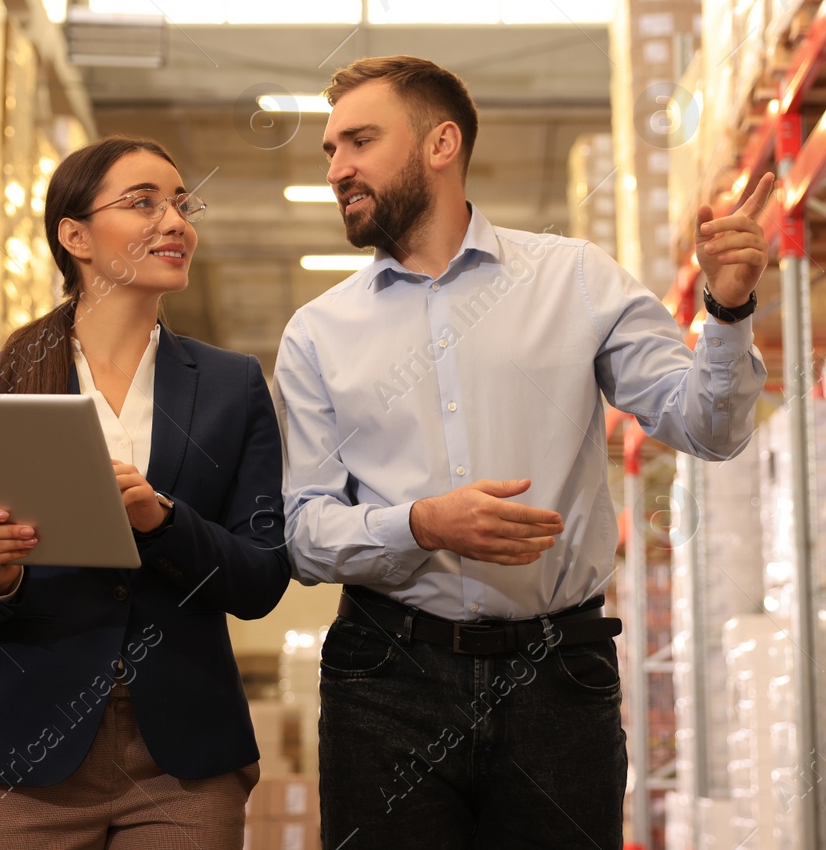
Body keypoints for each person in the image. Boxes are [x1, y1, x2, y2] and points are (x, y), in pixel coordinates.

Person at [273, 55, 771, 848]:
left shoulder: (575, 280)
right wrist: (421, 524)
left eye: (359, 141)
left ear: (442, 144)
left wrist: (730, 309)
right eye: (330, 151)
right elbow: (302, 533)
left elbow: (707, 428)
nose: (339, 167)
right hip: (386, 681)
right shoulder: (317, 334)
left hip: (557, 678)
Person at [0, 136, 290, 849]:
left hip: (182, 762)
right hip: (21, 756)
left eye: (183, 204)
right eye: (144, 202)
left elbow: (262, 576)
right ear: (75, 236)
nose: (175, 221)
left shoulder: (232, 386)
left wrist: (163, 521)